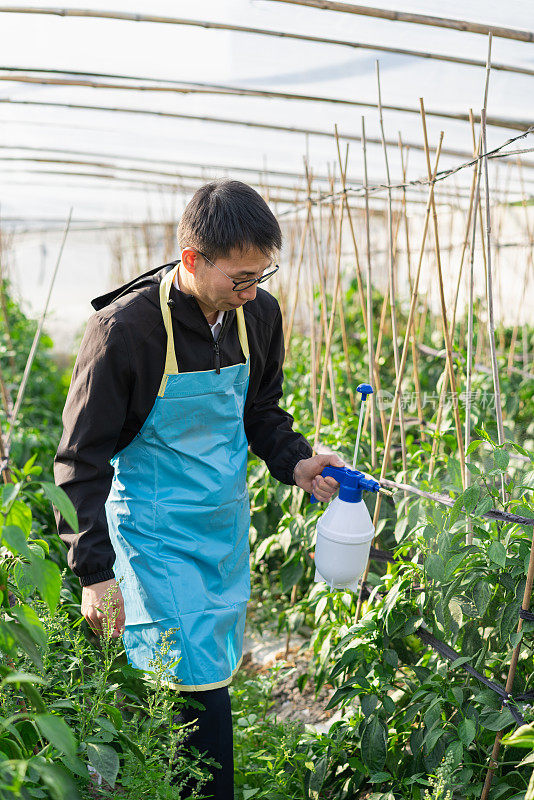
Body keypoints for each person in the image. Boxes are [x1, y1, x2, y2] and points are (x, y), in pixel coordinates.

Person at [54, 179, 342, 798]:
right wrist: (95, 574)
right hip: (153, 535)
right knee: (194, 696)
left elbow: (261, 411)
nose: (251, 291)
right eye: (240, 278)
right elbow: (81, 460)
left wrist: (296, 462)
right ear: (192, 259)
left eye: (260, 276)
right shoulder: (124, 331)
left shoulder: (257, 316)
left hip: (219, 532)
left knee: (196, 681)